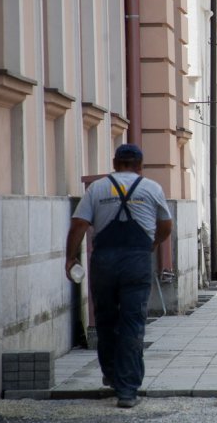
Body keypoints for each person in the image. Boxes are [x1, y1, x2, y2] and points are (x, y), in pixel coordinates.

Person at [64, 144, 172, 408]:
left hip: (105, 262)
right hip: (136, 261)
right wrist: (153, 244)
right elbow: (166, 225)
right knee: (133, 323)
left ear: (114, 162)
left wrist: (70, 258)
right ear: (140, 164)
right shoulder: (152, 188)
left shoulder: (97, 188)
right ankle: (127, 390)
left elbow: (78, 225)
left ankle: (112, 375)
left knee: (106, 321)